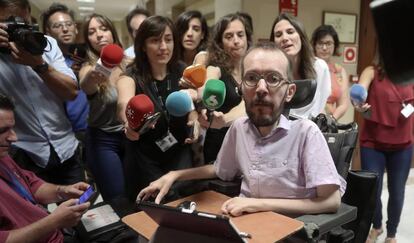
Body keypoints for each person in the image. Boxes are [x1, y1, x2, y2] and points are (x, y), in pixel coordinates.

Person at [138, 42, 345, 217]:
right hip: (243, 224)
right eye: (252, 78)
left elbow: (331, 201)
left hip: (291, 231)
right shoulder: (239, 129)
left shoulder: (306, 133)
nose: (261, 88)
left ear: (289, 91)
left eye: (273, 79)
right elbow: (220, 170)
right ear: (241, 89)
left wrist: (256, 204)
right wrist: (174, 175)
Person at [0, 0, 84, 185]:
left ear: (29, 16)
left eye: (21, 21)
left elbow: (71, 92)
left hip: (66, 148)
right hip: (24, 153)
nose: (16, 29)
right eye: (8, 24)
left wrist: (38, 64)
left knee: (80, 209)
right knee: (34, 214)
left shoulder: (48, 45)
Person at [117, 15, 199, 202]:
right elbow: (124, 104)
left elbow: (190, 104)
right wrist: (128, 124)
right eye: (155, 40)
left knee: (183, 208)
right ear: (143, 45)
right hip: (145, 158)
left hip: (179, 153)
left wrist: (194, 120)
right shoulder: (131, 75)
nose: (163, 47)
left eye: (168, 40)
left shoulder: (181, 70)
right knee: (153, 210)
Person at [0, 93, 90, 243]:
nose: (14, 138)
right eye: (2, 131)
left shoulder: (3, 156)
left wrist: (63, 191)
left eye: (12, 128)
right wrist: (54, 221)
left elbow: (31, 185)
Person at [353, 52, 413, 243]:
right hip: (373, 143)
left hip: (403, 145)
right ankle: (376, 226)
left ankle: (392, 234)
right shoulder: (371, 72)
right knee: (373, 191)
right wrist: (358, 103)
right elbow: (359, 91)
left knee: (397, 191)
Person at [79, 13, 126, 201]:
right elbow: (86, 84)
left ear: (112, 33)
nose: (99, 35)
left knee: (136, 190)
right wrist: (95, 73)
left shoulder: (130, 64)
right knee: (117, 196)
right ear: (88, 40)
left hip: (131, 137)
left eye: (104, 29)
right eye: (92, 32)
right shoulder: (88, 67)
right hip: (103, 139)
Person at [199, 13, 251, 163]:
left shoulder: (253, 69)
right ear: (220, 43)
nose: (236, 41)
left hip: (248, 143)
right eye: (229, 36)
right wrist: (202, 102)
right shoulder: (215, 69)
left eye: (240, 35)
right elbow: (207, 85)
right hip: (220, 146)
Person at [41, 2, 89, 159]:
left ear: (75, 28)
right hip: (62, 137)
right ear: (47, 31)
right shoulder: (41, 64)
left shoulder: (87, 57)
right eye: (57, 25)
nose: (65, 29)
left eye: (69, 24)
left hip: (93, 131)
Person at [270, 13, 331, 119]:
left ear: (301, 36)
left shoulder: (320, 68)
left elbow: (320, 106)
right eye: (278, 35)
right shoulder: (269, 71)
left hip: (310, 131)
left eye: (290, 32)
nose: (285, 38)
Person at [311, 25, 349, 120]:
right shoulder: (307, 67)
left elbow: (343, 104)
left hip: (329, 124)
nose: (324, 48)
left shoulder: (339, 71)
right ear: (314, 45)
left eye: (328, 43)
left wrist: (331, 121)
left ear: (335, 45)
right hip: (307, 121)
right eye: (320, 43)